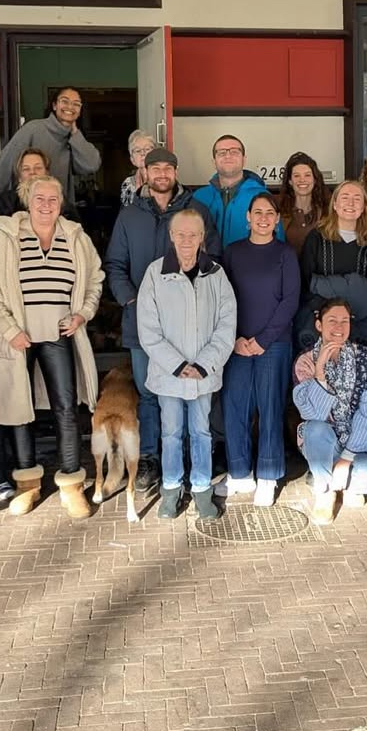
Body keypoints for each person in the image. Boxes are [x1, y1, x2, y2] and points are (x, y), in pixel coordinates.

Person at [0, 175, 105, 515]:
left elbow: (95, 279)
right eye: (39, 199)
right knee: (19, 407)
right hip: (18, 336)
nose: (46, 205)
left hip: (59, 333)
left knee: (66, 407)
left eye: (52, 199)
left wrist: (82, 314)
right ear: (27, 201)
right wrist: (9, 330)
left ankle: (71, 483)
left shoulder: (75, 237)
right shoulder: (6, 237)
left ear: (61, 203)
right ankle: (27, 482)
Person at [106, 148, 221, 490]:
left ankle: (186, 458)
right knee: (149, 392)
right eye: (154, 168)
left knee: (191, 391)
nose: (161, 174)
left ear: (175, 172)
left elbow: (213, 259)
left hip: (191, 325)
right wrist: (132, 301)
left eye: (167, 168)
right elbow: (115, 265)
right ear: (144, 172)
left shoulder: (196, 211)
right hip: (143, 327)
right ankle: (151, 458)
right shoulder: (129, 215)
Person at [136, 210, 237, 520]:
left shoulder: (216, 274)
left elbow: (226, 325)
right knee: (170, 433)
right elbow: (148, 329)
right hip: (169, 375)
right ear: (171, 236)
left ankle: (202, 490)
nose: (186, 240)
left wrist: (203, 364)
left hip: (202, 375)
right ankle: (171, 490)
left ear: (202, 237)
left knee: (202, 432)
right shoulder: (155, 273)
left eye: (193, 235)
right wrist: (178, 365)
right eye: (180, 234)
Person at [220, 193, 299, 506]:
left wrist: (263, 340)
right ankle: (239, 473)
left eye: (270, 213)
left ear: (277, 219)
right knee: (235, 407)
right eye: (258, 213)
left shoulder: (285, 254)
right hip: (237, 344)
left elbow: (290, 300)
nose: (264, 218)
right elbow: (223, 299)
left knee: (270, 408)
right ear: (248, 217)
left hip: (274, 344)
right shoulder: (232, 252)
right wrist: (235, 338)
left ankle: (268, 475)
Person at [292, 298, 367, 525]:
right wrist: (320, 372)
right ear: (319, 325)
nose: (339, 327)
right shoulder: (305, 361)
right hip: (324, 442)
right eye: (332, 320)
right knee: (314, 429)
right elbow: (311, 414)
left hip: (359, 442)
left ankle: (334, 479)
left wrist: (346, 459)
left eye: (344, 321)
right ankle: (325, 491)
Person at [297, 180, 367, 349]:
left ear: (364, 207)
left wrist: (325, 284)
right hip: (319, 327)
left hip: (359, 329)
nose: (351, 203)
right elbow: (306, 283)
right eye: (345, 197)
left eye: (357, 198)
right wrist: (331, 312)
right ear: (335, 205)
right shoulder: (316, 238)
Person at [0, 86, 101, 205]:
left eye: (76, 104)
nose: (70, 107)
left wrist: (74, 132)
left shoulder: (73, 138)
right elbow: (3, 168)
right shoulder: (33, 129)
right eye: (65, 101)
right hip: (26, 207)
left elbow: (91, 165)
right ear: (54, 105)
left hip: (57, 208)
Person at [193, 134, 283, 247]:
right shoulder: (199, 197)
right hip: (207, 258)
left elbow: (278, 245)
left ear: (244, 160)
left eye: (234, 152)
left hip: (248, 258)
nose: (228, 156)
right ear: (214, 162)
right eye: (221, 153)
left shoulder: (262, 197)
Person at [0, 148, 77, 221]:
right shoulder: (3, 202)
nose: (32, 172)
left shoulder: (59, 200)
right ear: (19, 177)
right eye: (26, 169)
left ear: (47, 173)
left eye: (38, 168)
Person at [277, 151, 330, 256]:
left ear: (315, 179)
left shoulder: (327, 210)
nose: (302, 180)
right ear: (290, 181)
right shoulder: (279, 210)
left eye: (307, 175)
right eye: (296, 176)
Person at [120, 129, 158, 207]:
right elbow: (127, 211)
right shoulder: (128, 183)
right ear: (132, 160)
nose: (143, 153)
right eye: (138, 151)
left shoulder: (164, 177)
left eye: (147, 149)